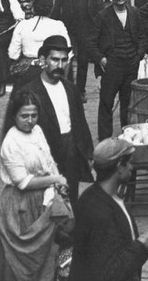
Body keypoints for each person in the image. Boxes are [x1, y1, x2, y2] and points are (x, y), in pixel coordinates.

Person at [0, 93, 70, 281]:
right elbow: (22, 182)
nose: (30, 120)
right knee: (20, 261)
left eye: (34, 115)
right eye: (24, 116)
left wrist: (58, 182)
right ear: (14, 115)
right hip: (20, 206)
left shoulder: (38, 131)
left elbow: (48, 161)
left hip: (43, 198)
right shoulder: (11, 142)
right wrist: (54, 179)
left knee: (46, 255)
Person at [69, 139, 148, 281]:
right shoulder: (100, 213)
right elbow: (108, 272)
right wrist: (141, 247)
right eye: (129, 163)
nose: (132, 168)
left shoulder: (94, 196)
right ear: (119, 166)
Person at [9, 36, 92, 200]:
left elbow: (80, 123)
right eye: (54, 60)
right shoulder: (29, 92)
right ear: (42, 60)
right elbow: (16, 130)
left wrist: (88, 154)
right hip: (44, 156)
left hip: (71, 152)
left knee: (71, 202)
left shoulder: (70, 89)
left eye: (64, 60)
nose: (59, 66)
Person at [91, 0, 146, 140]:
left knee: (127, 103)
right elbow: (90, 42)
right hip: (112, 65)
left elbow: (143, 36)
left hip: (131, 64)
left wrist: (138, 55)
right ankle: (105, 140)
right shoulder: (103, 16)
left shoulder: (135, 12)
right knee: (107, 102)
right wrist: (101, 59)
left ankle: (126, 137)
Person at [55, 0, 105, 99]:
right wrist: (53, 25)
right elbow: (57, 7)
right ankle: (69, 89)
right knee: (68, 59)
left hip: (87, 29)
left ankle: (80, 91)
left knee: (83, 60)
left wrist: (99, 30)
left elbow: (100, 10)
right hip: (68, 28)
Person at [6, 0, 71, 74]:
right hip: (51, 69)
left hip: (27, 70)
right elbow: (68, 53)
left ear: (33, 8)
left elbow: (13, 54)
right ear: (51, 8)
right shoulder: (58, 25)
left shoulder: (23, 25)